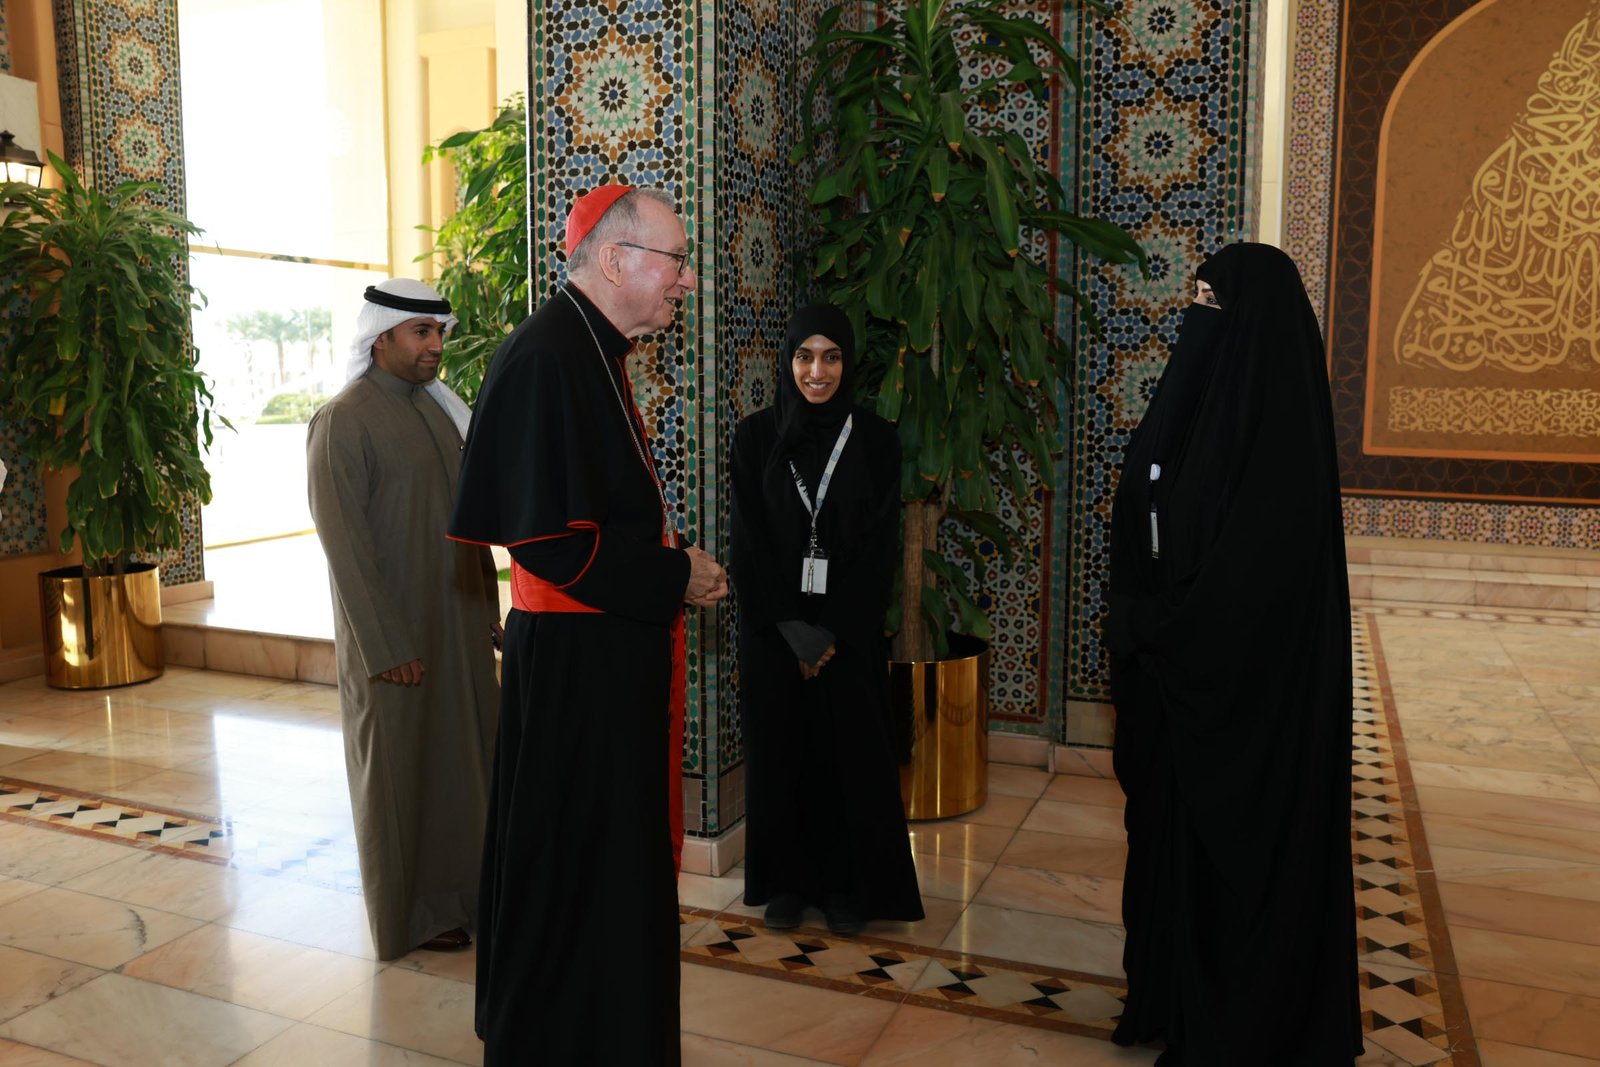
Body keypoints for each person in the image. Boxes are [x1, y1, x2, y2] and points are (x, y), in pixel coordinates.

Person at [448, 185, 728, 1066]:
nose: (685, 281)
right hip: (578, 670)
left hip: (600, 658)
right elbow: (551, 543)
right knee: (576, 866)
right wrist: (675, 574)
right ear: (615, 260)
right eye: (676, 261)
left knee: (605, 864)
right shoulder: (548, 356)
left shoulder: (591, 348)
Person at [1107, 243, 1363, 1064]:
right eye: (1195, 300)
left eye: (1213, 303)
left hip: (1244, 714)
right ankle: (1170, 996)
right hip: (1174, 687)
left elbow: (1252, 591)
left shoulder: (1282, 444)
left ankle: (1236, 1020)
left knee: (1235, 868)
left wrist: (1159, 627)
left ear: (1254, 321)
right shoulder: (1196, 413)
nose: (1198, 318)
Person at [306, 278, 501, 962]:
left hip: (458, 626)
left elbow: (469, 524)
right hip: (397, 638)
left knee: (465, 764)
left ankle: (470, 897)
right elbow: (345, 548)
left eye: (439, 332)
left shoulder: (440, 412)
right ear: (381, 337)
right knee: (400, 775)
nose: (435, 346)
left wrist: (487, 609)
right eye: (422, 333)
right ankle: (410, 917)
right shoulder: (343, 420)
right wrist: (385, 645)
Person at [729, 304, 923, 935]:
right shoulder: (755, 437)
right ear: (787, 361)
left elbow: (879, 547)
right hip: (775, 634)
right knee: (782, 755)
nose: (818, 371)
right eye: (805, 357)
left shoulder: (876, 440)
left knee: (849, 760)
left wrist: (831, 632)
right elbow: (748, 544)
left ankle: (845, 887)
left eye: (832, 357)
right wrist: (793, 631)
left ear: (848, 362)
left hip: (848, 634)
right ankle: (787, 884)